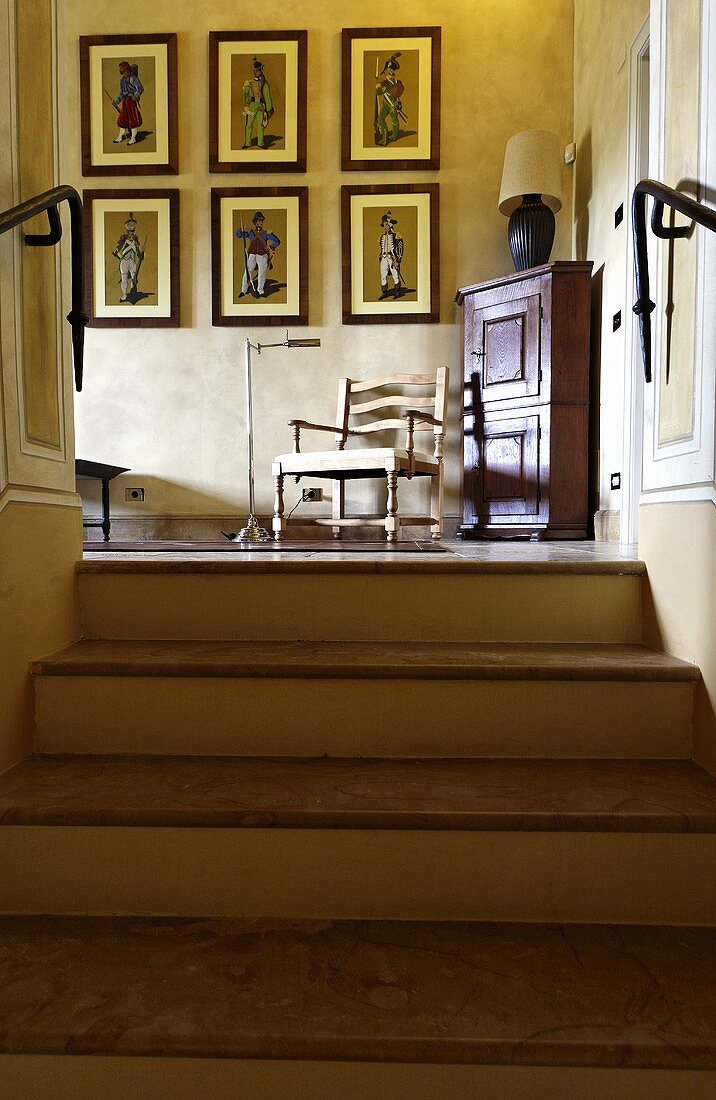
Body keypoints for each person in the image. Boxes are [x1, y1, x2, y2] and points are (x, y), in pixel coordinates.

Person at [235, 211, 281, 298]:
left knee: (262, 273)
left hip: (262, 255)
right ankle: (243, 290)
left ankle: (261, 291)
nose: (261, 222)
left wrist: (270, 246)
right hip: (252, 255)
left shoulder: (266, 232)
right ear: (255, 222)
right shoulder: (251, 232)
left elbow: (277, 241)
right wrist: (242, 229)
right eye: (259, 221)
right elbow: (238, 235)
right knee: (247, 272)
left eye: (261, 221)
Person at [242, 58, 274, 150]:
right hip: (252, 105)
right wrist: (246, 105)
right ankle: (248, 143)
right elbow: (245, 95)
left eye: (257, 70)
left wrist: (268, 109)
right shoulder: (249, 82)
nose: (255, 72)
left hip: (261, 106)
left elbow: (267, 97)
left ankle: (261, 143)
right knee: (249, 124)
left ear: (261, 71)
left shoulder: (265, 84)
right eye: (254, 70)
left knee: (261, 125)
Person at [112, 215, 144, 302]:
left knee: (134, 279)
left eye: (133, 231)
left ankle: (133, 294)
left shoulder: (135, 242)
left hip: (132, 261)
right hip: (124, 262)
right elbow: (115, 251)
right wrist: (121, 256)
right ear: (127, 231)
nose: (132, 233)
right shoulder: (123, 240)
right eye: (130, 231)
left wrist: (141, 254)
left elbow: (138, 254)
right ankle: (124, 295)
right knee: (124, 279)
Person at [375, 53, 404, 146]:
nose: (385, 71)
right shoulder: (393, 79)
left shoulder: (388, 81)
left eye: (387, 69)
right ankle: (391, 137)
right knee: (384, 120)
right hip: (388, 104)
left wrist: (378, 83)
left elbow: (379, 92)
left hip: (391, 104)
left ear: (389, 70)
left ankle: (387, 139)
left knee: (390, 120)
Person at [113, 61, 143, 146]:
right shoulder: (121, 80)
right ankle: (120, 136)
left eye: (122, 69)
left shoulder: (133, 78)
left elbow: (140, 88)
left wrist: (135, 95)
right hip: (125, 102)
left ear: (126, 68)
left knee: (133, 119)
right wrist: (117, 101)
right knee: (123, 119)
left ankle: (133, 138)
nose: (121, 71)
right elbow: (121, 93)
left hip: (131, 101)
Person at [378, 211, 404, 299]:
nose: (385, 227)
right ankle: (384, 292)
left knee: (395, 275)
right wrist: (380, 257)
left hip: (393, 259)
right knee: (383, 276)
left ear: (390, 225)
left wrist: (398, 261)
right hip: (384, 258)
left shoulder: (397, 235)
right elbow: (381, 248)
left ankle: (397, 292)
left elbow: (400, 249)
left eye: (386, 224)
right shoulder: (381, 236)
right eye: (384, 225)